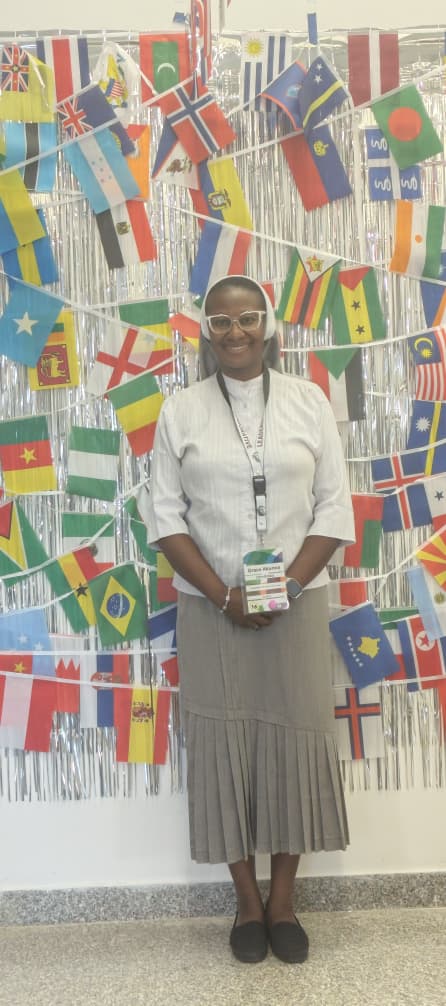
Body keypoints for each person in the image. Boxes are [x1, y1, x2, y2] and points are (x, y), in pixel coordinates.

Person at [143, 274, 355, 964]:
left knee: (297, 742)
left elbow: (334, 509)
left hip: (297, 603)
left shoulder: (308, 401)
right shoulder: (181, 410)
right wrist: (226, 596)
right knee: (224, 748)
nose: (235, 332)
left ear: (267, 325)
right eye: (220, 321)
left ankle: (284, 901)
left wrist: (283, 589)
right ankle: (246, 903)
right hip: (211, 608)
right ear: (206, 331)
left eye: (246, 318)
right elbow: (165, 518)